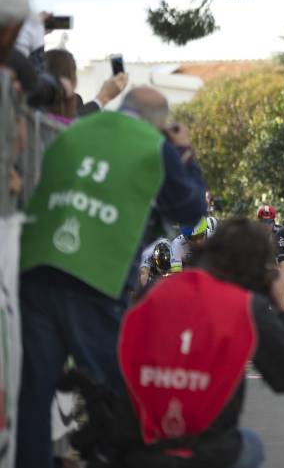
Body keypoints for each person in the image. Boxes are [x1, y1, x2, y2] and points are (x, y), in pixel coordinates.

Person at [17, 85, 206, 468]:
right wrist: (185, 154)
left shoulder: (76, 130)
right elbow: (190, 211)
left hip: (35, 268)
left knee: (33, 400)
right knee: (118, 393)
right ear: (161, 125)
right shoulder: (155, 146)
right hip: (95, 276)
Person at [68, 218, 284, 467]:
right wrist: (280, 303)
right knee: (252, 445)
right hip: (208, 454)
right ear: (256, 272)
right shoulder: (245, 306)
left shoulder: (153, 292)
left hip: (139, 450)